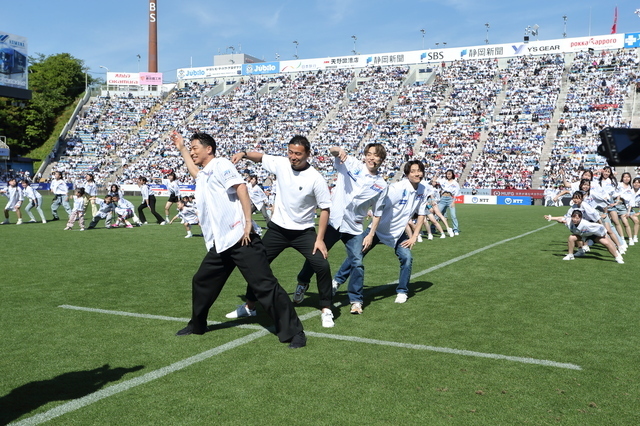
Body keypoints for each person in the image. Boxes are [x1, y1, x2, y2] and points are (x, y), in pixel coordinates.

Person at [170, 131, 306, 349]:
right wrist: (183, 149)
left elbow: (241, 187)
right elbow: (195, 173)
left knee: (264, 285)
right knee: (201, 280)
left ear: (209, 149)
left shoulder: (221, 164)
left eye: (195, 148)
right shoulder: (207, 172)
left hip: (241, 238)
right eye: (192, 148)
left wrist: (248, 222)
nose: (193, 152)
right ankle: (198, 325)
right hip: (222, 243)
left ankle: (295, 332)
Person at [226, 135, 335, 328]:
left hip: (303, 232)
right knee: (257, 264)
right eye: (291, 152)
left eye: (298, 154)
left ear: (308, 154)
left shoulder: (316, 179)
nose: (293, 157)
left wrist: (319, 239)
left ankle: (326, 309)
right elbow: (260, 157)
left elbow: (325, 209)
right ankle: (250, 306)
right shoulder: (281, 164)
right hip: (277, 230)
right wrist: (243, 154)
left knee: (322, 266)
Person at [295, 143, 388, 315]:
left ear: (381, 159)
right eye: (369, 154)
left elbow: (377, 212)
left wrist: (371, 234)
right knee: (315, 255)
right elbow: (332, 150)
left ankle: (356, 300)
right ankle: (302, 282)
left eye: (375, 156)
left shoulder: (381, 185)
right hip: (333, 221)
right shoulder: (351, 164)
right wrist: (339, 151)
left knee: (357, 263)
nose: (371, 158)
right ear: (365, 155)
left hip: (354, 227)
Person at [334, 160, 429, 305]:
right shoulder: (397, 188)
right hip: (377, 230)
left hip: (398, 234)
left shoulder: (423, 189)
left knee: (407, 258)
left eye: (420, 170)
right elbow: (380, 202)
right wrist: (370, 225)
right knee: (357, 254)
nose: (417, 174)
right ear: (407, 174)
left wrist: (414, 236)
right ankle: (336, 282)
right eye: (413, 171)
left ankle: (402, 291)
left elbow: (421, 214)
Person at [545, 210, 624, 264]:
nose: (575, 219)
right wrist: (551, 218)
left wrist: (603, 234)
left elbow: (600, 227)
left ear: (580, 218)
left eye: (577, 218)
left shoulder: (587, 224)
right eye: (573, 217)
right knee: (571, 237)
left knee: (606, 242)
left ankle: (617, 256)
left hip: (593, 235)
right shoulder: (569, 221)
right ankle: (570, 255)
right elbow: (561, 218)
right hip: (582, 235)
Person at [434, 169, 459, 236]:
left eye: (450, 174)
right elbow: (435, 180)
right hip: (443, 199)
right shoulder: (443, 181)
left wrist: (453, 201)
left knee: (453, 215)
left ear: (452, 175)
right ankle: (433, 228)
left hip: (450, 199)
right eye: (447, 174)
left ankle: (455, 229)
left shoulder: (455, 183)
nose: (448, 175)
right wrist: (437, 174)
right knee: (437, 214)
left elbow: (456, 193)